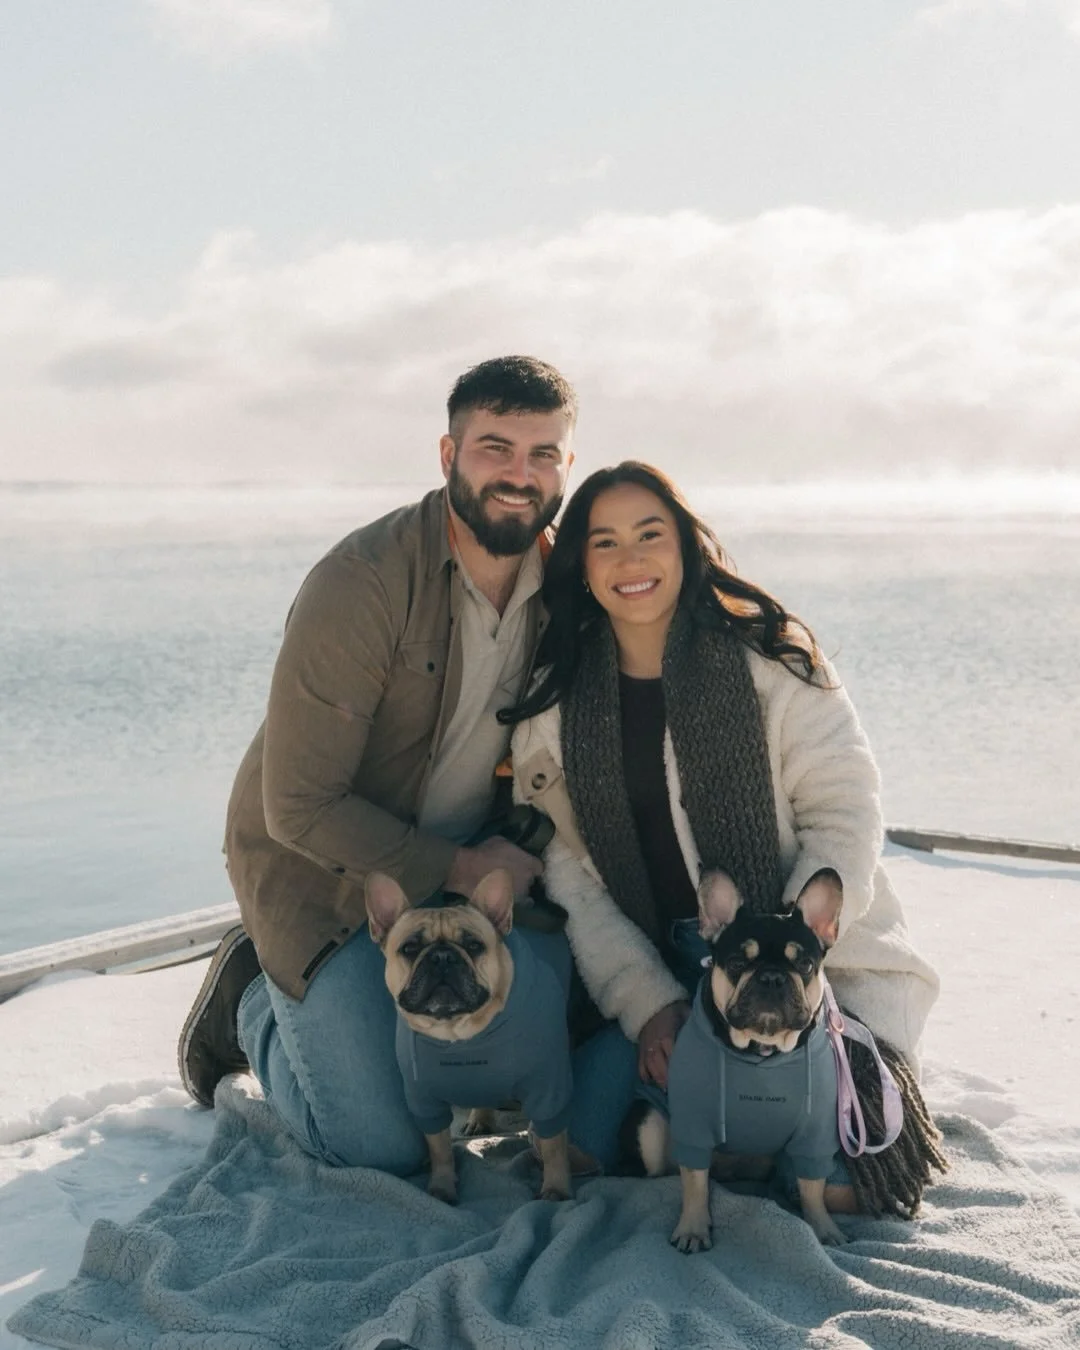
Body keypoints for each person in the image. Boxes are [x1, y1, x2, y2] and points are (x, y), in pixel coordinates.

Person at [177, 355, 578, 1173]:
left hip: (461, 879)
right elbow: (297, 807)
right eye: (494, 448)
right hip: (317, 874)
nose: (519, 474)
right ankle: (250, 1001)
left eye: (543, 454)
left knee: (532, 1079)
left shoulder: (569, 579)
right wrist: (465, 864)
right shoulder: (361, 582)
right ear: (447, 455)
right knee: (381, 1146)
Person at [506, 461, 941, 1198]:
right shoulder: (553, 708)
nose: (632, 560)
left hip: (804, 966)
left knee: (845, 1186)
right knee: (581, 1148)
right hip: (664, 964)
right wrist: (652, 1007)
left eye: (651, 535)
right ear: (580, 563)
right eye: (605, 543)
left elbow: (845, 808)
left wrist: (793, 954)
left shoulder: (775, 659)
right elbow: (573, 878)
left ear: (685, 546)